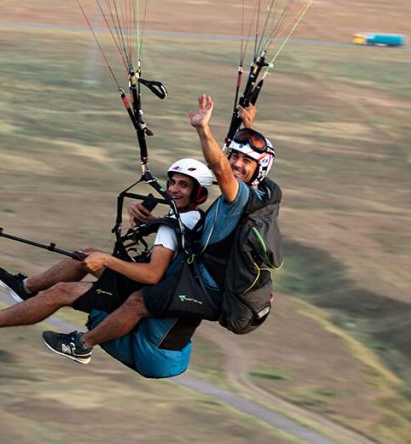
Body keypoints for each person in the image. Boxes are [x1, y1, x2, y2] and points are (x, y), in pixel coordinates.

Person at [40, 95, 276, 372]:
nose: (236, 163)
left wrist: (203, 128)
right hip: (210, 275)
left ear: (259, 168)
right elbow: (240, 166)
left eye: (245, 161)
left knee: (139, 301)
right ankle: (33, 290)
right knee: (122, 280)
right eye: (234, 156)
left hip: (207, 285)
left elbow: (221, 169)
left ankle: (82, 344)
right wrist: (248, 126)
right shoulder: (266, 193)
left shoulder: (240, 196)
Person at [0, 158, 216, 359]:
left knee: (61, 291)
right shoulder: (191, 218)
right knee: (85, 255)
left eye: (183, 185)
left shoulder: (175, 224)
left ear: (199, 193)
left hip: (142, 291)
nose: (173, 189)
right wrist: (151, 222)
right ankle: (26, 288)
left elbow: (152, 274)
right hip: (150, 286)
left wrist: (107, 260)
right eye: (172, 182)